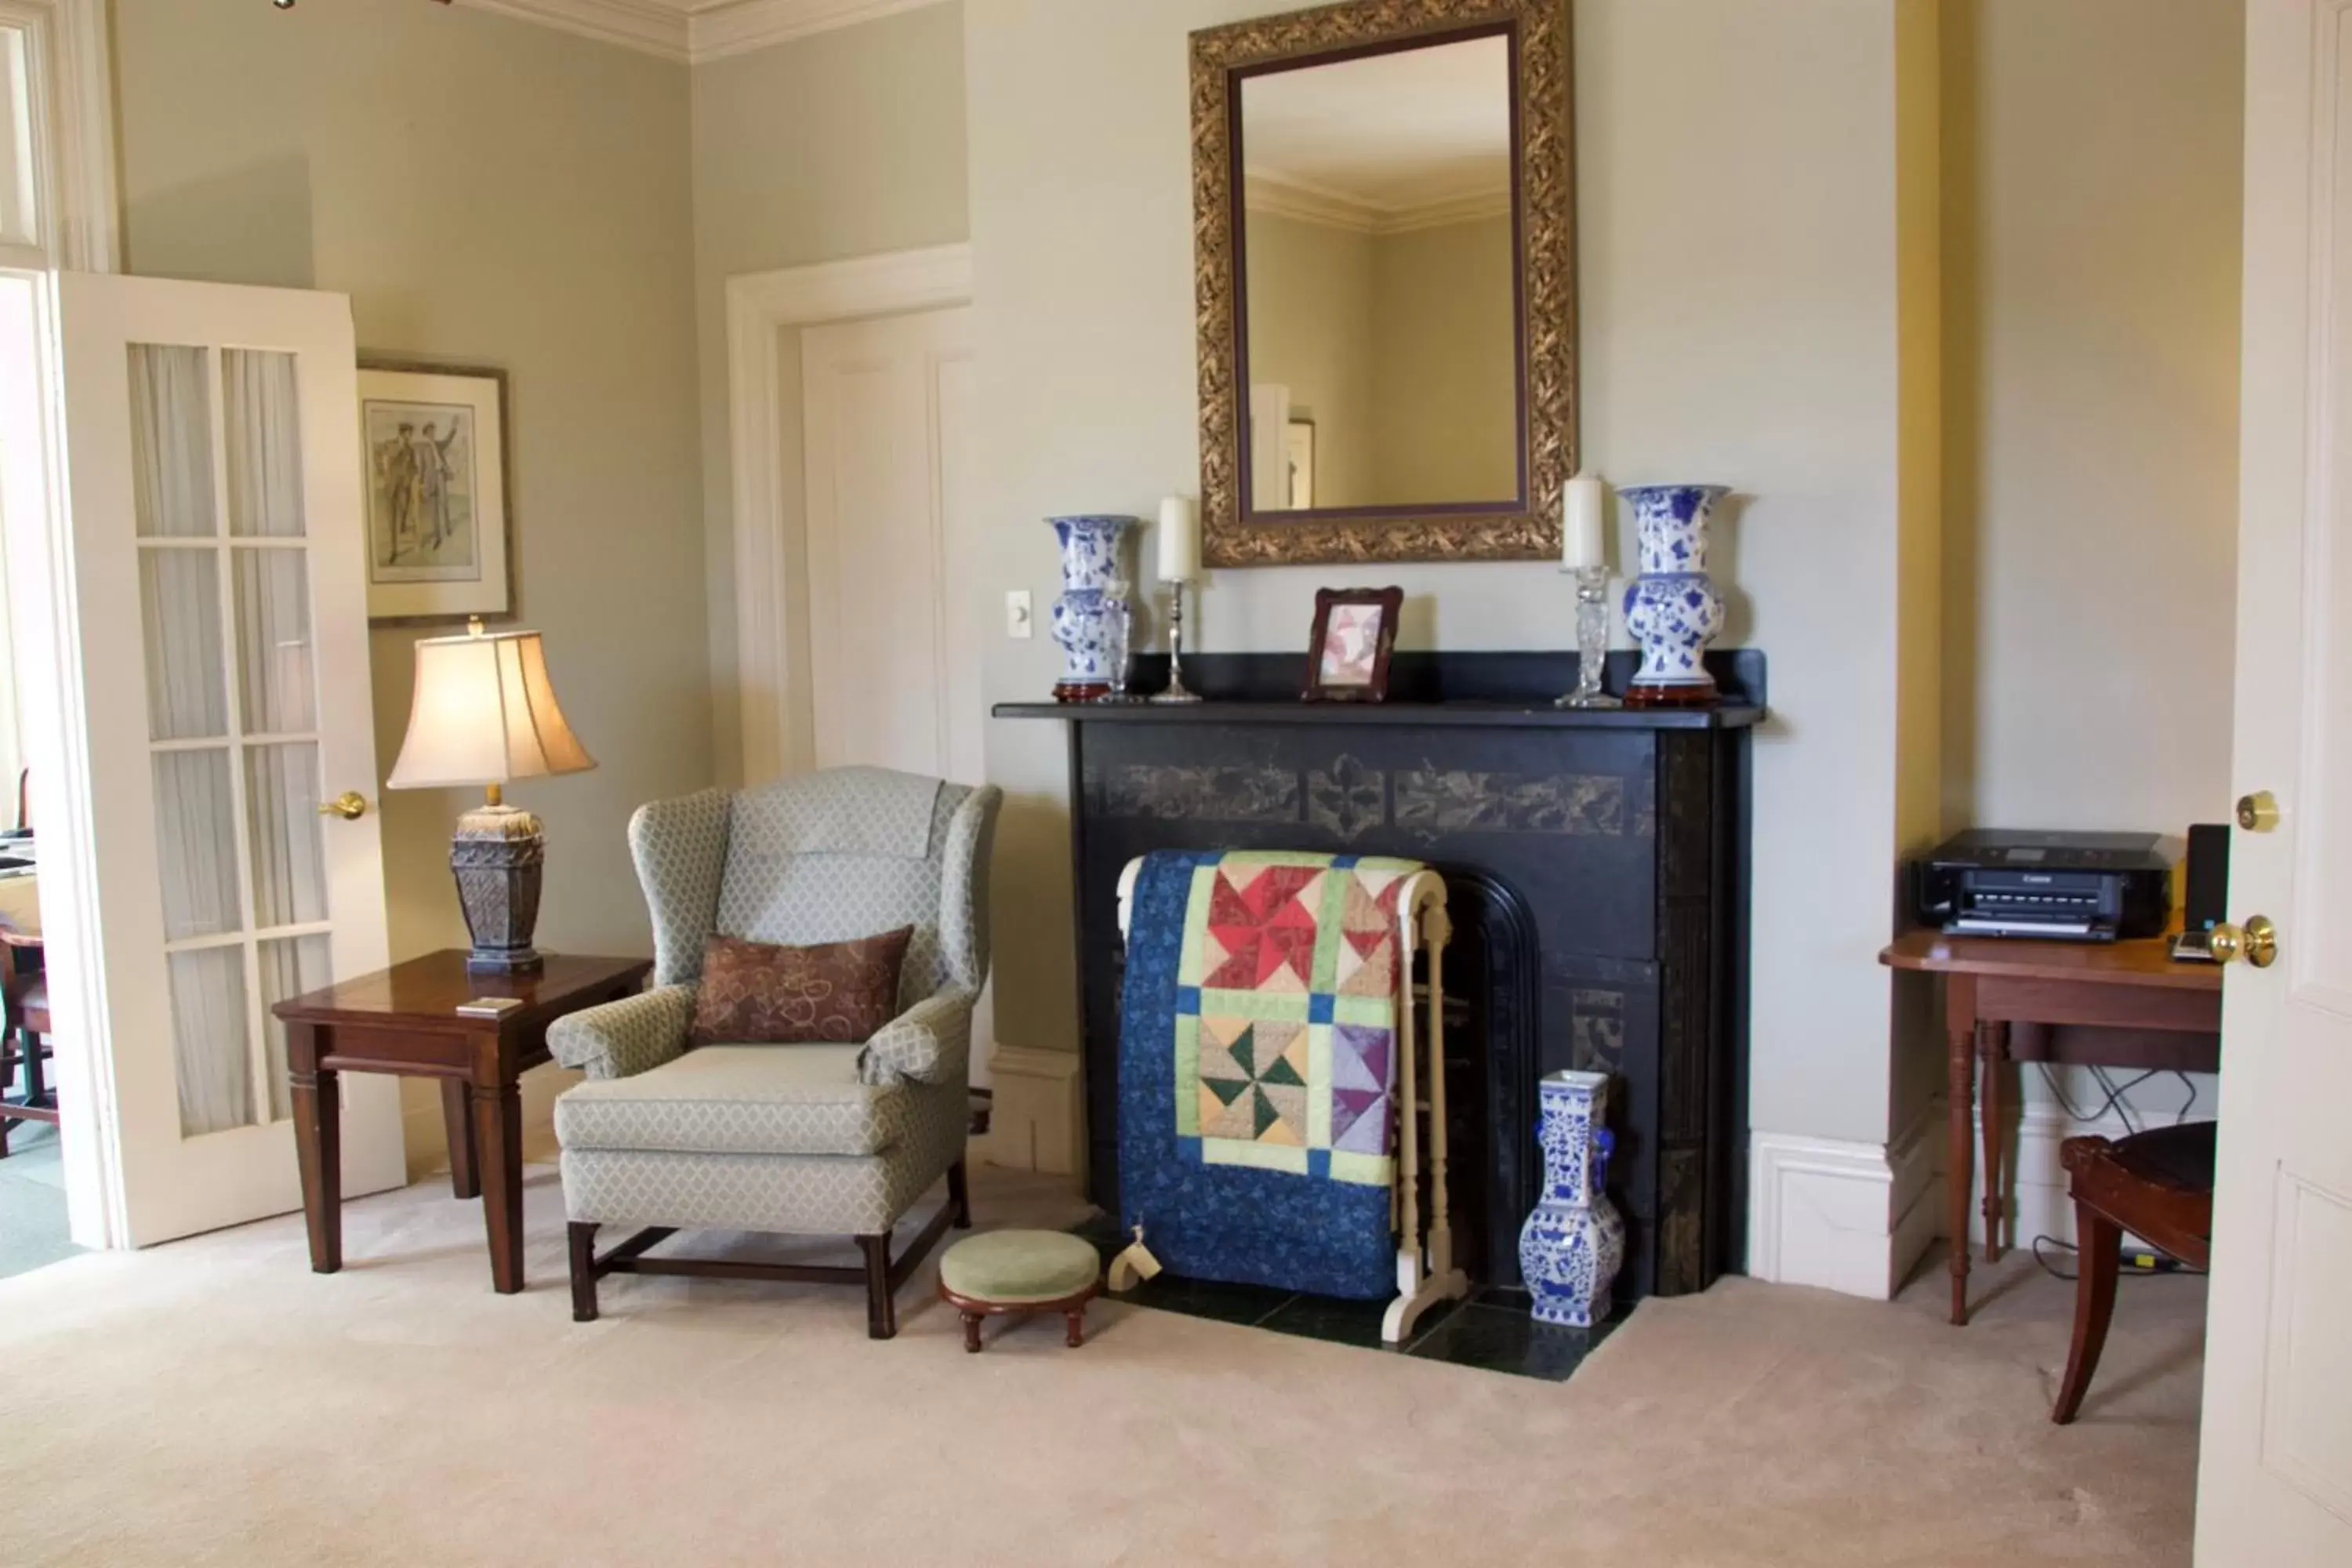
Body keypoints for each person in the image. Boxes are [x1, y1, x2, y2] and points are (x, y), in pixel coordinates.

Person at [373, 423, 419, 562]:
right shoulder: (390, 444)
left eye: (411, 434)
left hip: (403, 488)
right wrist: (382, 471)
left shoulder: (410, 450)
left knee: (405, 512)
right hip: (390, 487)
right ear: (403, 433)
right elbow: (378, 456)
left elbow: (414, 467)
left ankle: (404, 527)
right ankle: (394, 550)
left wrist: (410, 477)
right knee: (392, 519)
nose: (410, 436)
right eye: (409, 433)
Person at [416, 420, 461, 550]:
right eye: (430, 432)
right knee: (434, 509)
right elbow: (422, 468)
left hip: (440, 476)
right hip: (430, 480)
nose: (432, 433)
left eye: (433, 431)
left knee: (444, 502)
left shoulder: (438, 445)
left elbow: (448, 440)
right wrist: (422, 485)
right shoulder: (423, 449)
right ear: (425, 434)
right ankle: (437, 537)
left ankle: (448, 527)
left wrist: (453, 427)